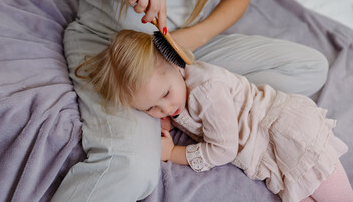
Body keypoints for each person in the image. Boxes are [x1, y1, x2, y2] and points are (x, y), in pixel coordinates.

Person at [32, 0, 330, 201]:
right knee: (130, 169)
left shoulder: (180, 58)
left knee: (309, 67)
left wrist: (184, 45)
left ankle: (176, 89)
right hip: (108, 46)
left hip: (178, 47)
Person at [76, 29, 352, 202]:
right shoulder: (177, 90)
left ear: (176, 65)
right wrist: (167, 117)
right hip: (265, 148)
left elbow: (223, 149)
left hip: (287, 132)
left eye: (165, 95)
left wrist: (173, 153)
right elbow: (175, 107)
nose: (163, 108)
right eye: (149, 108)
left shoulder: (206, 91)